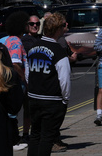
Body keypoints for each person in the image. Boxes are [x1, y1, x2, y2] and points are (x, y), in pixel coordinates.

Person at [25, 12, 71, 156]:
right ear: (57, 29)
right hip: (51, 101)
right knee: (47, 137)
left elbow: (28, 73)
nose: (65, 28)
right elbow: (64, 80)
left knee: (35, 135)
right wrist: (65, 100)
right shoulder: (59, 51)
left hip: (33, 97)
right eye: (63, 25)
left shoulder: (34, 47)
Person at [0, 11, 30, 149]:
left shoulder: (7, 39)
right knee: (13, 111)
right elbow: (15, 63)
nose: (28, 26)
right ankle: (13, 139)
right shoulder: (16, 41)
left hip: (9, 80)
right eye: (26, 24)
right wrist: (24, 79)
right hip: (16, 82)